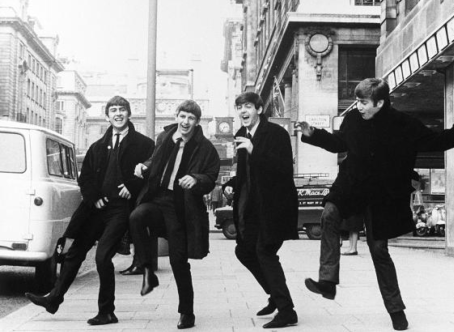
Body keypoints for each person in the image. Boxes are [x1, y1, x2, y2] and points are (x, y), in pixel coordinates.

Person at [295, 78, 454, 331]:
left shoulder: (404, 124)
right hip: (352, 186)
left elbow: (436, 141)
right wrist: (313, 134)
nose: (358, 106)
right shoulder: (353, 119)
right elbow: (339, 143)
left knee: (379, 251)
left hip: (383, 195)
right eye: (357, 101)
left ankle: (396, 309)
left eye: (363, 102)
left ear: (380, 102)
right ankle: (328, 281)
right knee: (329, 212)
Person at [25, 96, 155, 325]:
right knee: (74, 253)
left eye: (122, 110)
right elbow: (84, 178)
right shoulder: (97, 146)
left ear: (129, 114)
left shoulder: (144, 144)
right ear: (107, 116)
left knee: (103, 256)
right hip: (96, 208)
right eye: (113, 110)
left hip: (120, 210)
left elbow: (152, 173)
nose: (118, 114)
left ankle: (107, 311)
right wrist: (93, 198)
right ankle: (54, 299)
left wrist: (133, 186)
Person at [129, 100, 220, 330]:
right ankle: (148, 270)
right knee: (136, 217)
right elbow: (155, 160)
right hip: (157, 199)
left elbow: (211, 177)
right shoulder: (164, 138)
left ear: (197, 122)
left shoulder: (205, 147)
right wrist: (143, 165)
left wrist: (197, 179)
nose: (185, 121)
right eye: (182, 116)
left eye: (191, 118)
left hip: (181, 209)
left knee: (178, 262)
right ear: (176, 116)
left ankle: (186, 313)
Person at [223, 92, 299, 329]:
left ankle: (287, 311)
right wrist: (231, 184)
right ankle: (275, 296)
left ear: (259, 108)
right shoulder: (241, 135)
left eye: (247, 106)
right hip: (252, 207)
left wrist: (255, 150)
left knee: (265, 252)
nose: (243, 111)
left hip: (274, 206)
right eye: (239, 107)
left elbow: (284, 169)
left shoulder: (276, 133)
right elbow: (248, 173)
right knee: (244, 251)